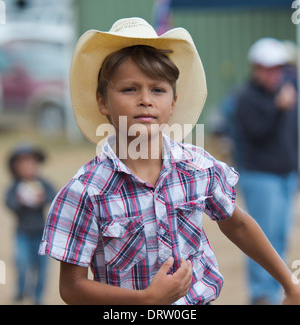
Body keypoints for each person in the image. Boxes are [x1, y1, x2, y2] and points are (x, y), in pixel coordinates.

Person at [39, 18, 300, 305]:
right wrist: (146, 299)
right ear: (103, 102)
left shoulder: (198, 168)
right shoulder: (86, 192)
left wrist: (289, 284)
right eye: (129, 89)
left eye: (158, 90)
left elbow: (237, 225)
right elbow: (72, 287)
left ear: (173, 103)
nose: (145, 100)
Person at [234, 38, 299, 305]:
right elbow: (256, 134)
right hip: (260, 178)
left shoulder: (288, 94)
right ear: (257, 68)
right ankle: (262, 296)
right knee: (263, 240)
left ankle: (277, 293)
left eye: (279, 68)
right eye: (269, 68)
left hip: (286, 176)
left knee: (281, 237)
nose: (275, 74)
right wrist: (277, 109)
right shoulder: (246, 99)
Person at [6, 144, 56, 304]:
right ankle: (21, 291)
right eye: (23, 163)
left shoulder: (42, 184)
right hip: (23, 233)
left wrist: (42, 198)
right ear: (15, 168)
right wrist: (21, 202)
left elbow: (53, 196)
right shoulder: (15, 186)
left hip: (41, 234)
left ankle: (38, 298)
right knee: (22, 263)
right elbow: (9, 203)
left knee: (42, 269)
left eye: (32, 163)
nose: (29, 166)